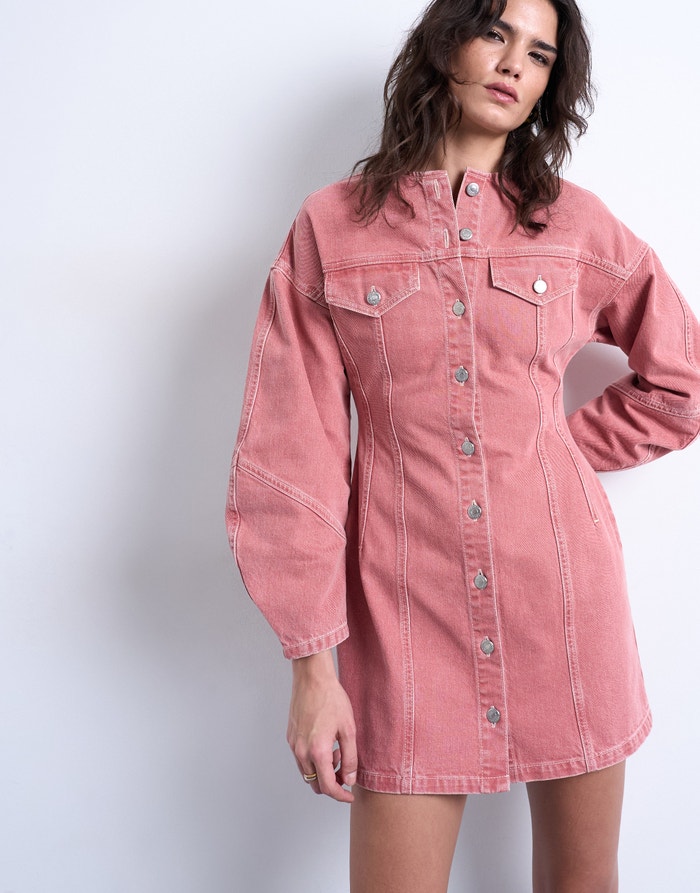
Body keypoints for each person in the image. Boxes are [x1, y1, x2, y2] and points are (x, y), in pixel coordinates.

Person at [226, 0, 700, 889]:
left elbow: (684, 378)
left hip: (567, 607)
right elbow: (291, 459)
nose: (515, 63)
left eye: (541, 54)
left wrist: (554, 451)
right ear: (446, 42)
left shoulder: (577, 226)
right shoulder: (332, 228)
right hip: (404, 619)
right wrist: (313, 669)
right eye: (496, 33)